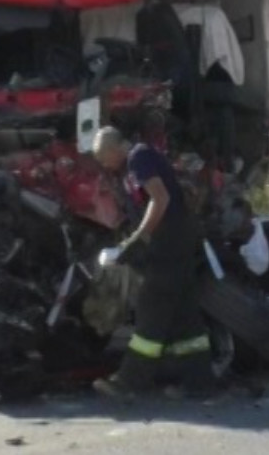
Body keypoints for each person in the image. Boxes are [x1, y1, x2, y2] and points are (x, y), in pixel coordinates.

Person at [91, 126, 218, 400]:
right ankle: (201, 383)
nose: (103, 164)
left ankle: (129, 381)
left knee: (152, 305)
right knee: (185, 317)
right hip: (177, 239)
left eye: (103, 158)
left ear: (114, 149)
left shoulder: (139, 157)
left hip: (170, 240)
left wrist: (140, 238)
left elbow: (160, 198)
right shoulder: (129, 168)